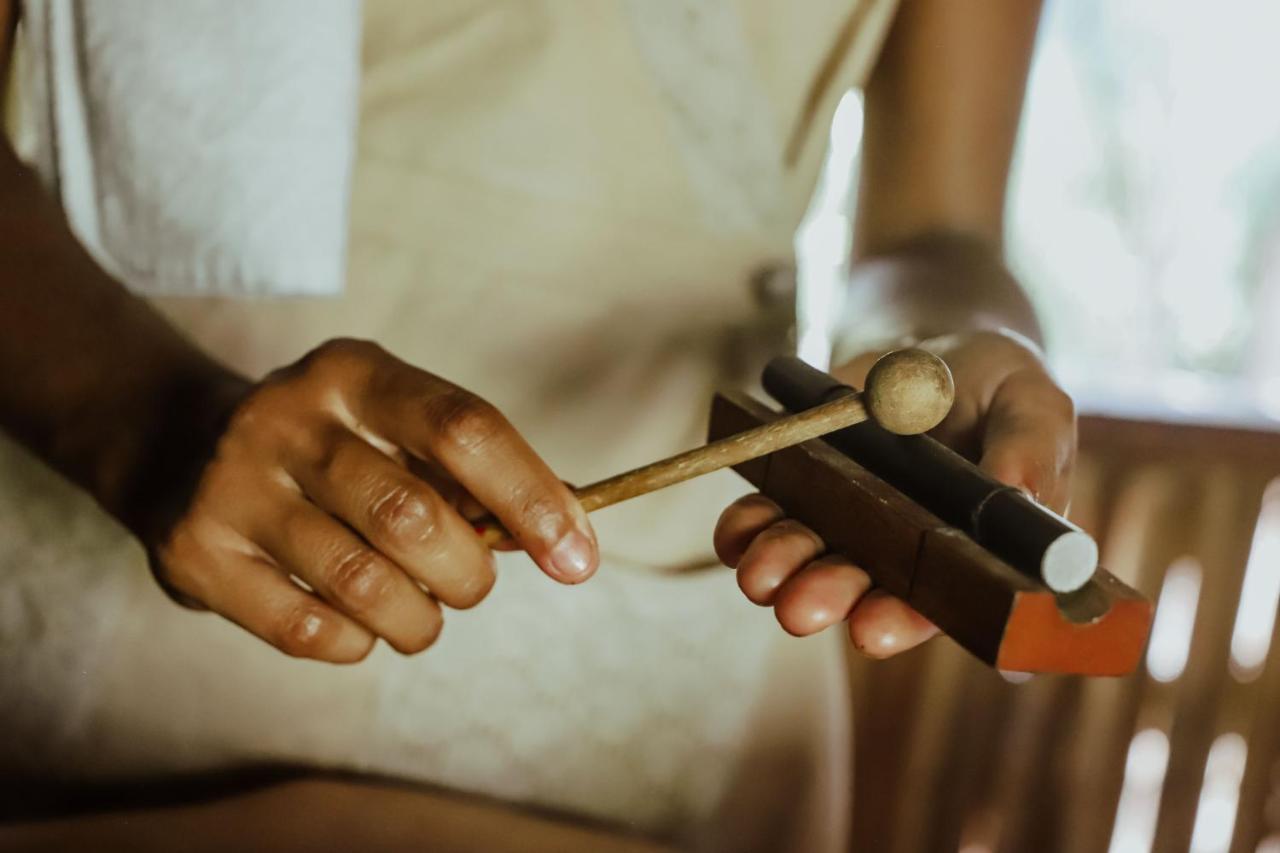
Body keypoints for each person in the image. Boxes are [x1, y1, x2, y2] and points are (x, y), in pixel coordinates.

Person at [0, 0, 1075, 850]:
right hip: (125, 571)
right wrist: (138, 416)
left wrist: (951, 333)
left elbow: (935, 229)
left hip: (667, 676)